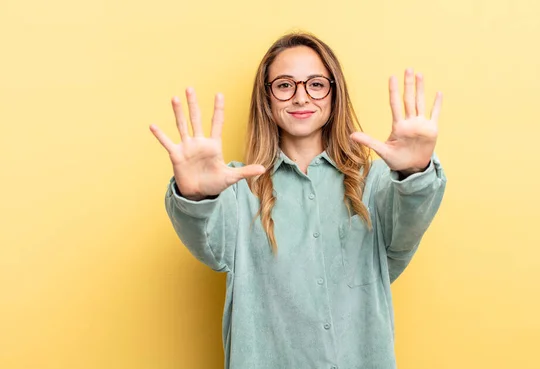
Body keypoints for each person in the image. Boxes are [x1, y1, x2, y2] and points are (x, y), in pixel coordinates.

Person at [149, 31, 446, 369]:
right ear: (267, 98)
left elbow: (408, 228)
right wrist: (196, 194)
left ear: (334, 93)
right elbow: (208, 246)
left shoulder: (376, 183)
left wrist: (414, 173)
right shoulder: (236, 189)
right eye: (285, 85)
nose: (301, 97)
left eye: (316, 84)